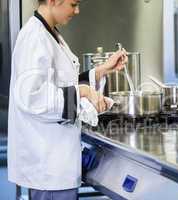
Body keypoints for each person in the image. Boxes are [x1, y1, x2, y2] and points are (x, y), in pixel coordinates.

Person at [7, 0, 128, 199]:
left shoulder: (50, 33)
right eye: (73, 4)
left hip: (56, 162)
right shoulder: (34, 37)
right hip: (48, 166)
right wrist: (82, 92)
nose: (77, 11)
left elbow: (61, 83)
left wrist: (100, 71)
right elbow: (32, 98)